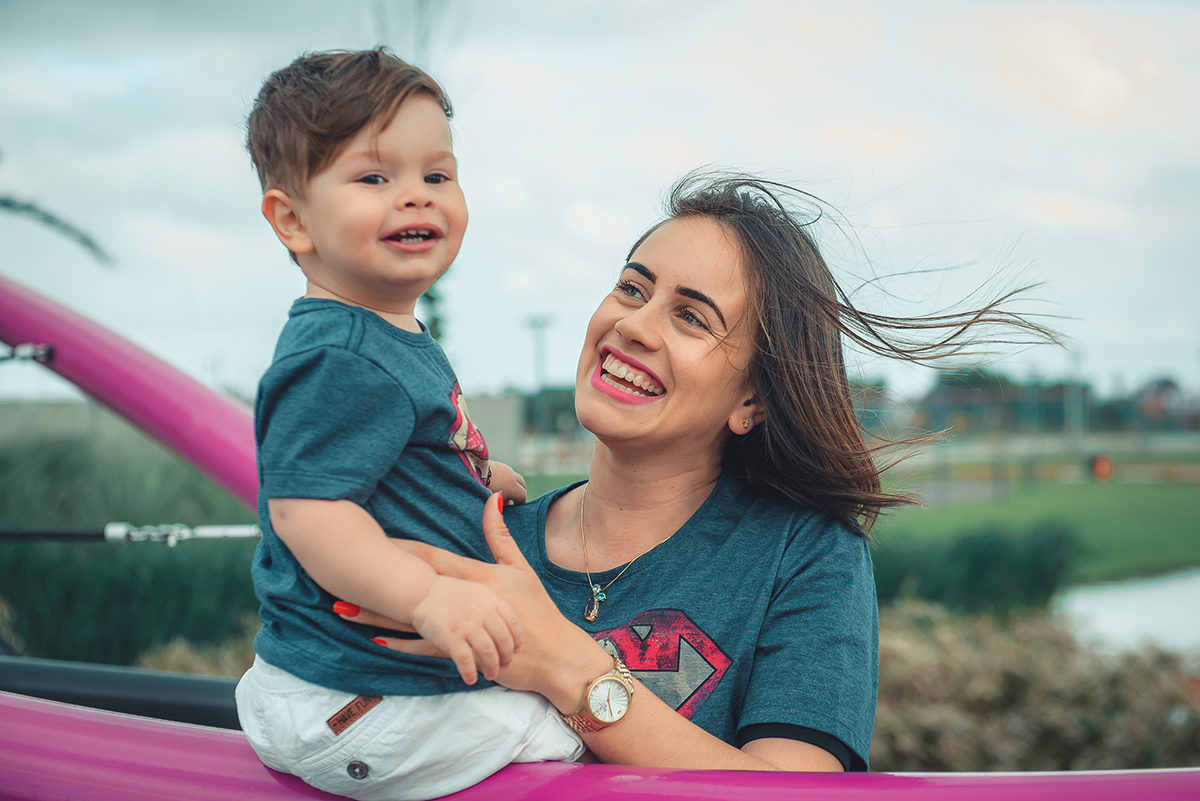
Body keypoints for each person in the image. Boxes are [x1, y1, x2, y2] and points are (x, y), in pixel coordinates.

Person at [337, 172, 1054, 773]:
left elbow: (791, 795)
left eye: (691, 317)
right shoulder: (484, 534)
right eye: (631, 288)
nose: (635, 325)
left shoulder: (803, 555)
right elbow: (343, 723)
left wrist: (564, 664)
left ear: (752, 399)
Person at [235, 49, 584, 801]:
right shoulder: (345, 354)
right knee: (574, 739)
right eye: (374, 177)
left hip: (347, 693)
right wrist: (428, 597)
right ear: (293, 218)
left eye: (437, 175)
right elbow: (309, 509)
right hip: (361, 701)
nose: (416, 198)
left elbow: (379, 456)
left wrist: (468, 474)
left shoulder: (382, 335)